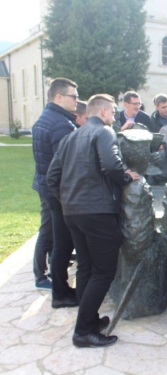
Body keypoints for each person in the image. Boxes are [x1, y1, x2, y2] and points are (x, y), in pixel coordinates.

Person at [47, 94, 140, 348]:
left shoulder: (70, 137)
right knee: (103, 272)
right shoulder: (104, 132)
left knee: (87, 269)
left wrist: (68, 200)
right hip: (97, 213)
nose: (114, 117)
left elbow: (52, 177)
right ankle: (83, 331)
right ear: (103, 113)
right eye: (112, 112)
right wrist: (126, 178)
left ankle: (89, 319)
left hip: (73, 213)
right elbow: (111, 165)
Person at [32, 77, 78, 303]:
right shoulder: (60, 123)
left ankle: (58, 286)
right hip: (57, 193)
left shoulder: (45, 118)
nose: (77, 101)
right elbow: (65, 166)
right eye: (74, 96)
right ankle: (60, 292)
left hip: (45, 187)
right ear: (59, 97)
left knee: (55, 238)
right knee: (63, 242)